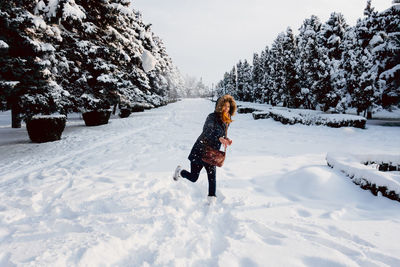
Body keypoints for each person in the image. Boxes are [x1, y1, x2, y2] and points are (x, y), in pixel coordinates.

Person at [173, 95, 237, 205]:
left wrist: (226, 139)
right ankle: (180, 172)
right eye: (224, 106)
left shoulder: (227, 121)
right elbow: (207, 131)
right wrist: (219, 138)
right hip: (200, 150)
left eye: (228, 106)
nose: (226, 108)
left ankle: (211, 200)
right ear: (219, 106)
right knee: (193, 178)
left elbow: (221, 134)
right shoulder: (211, 117)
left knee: (212, 177)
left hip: (212, 154)